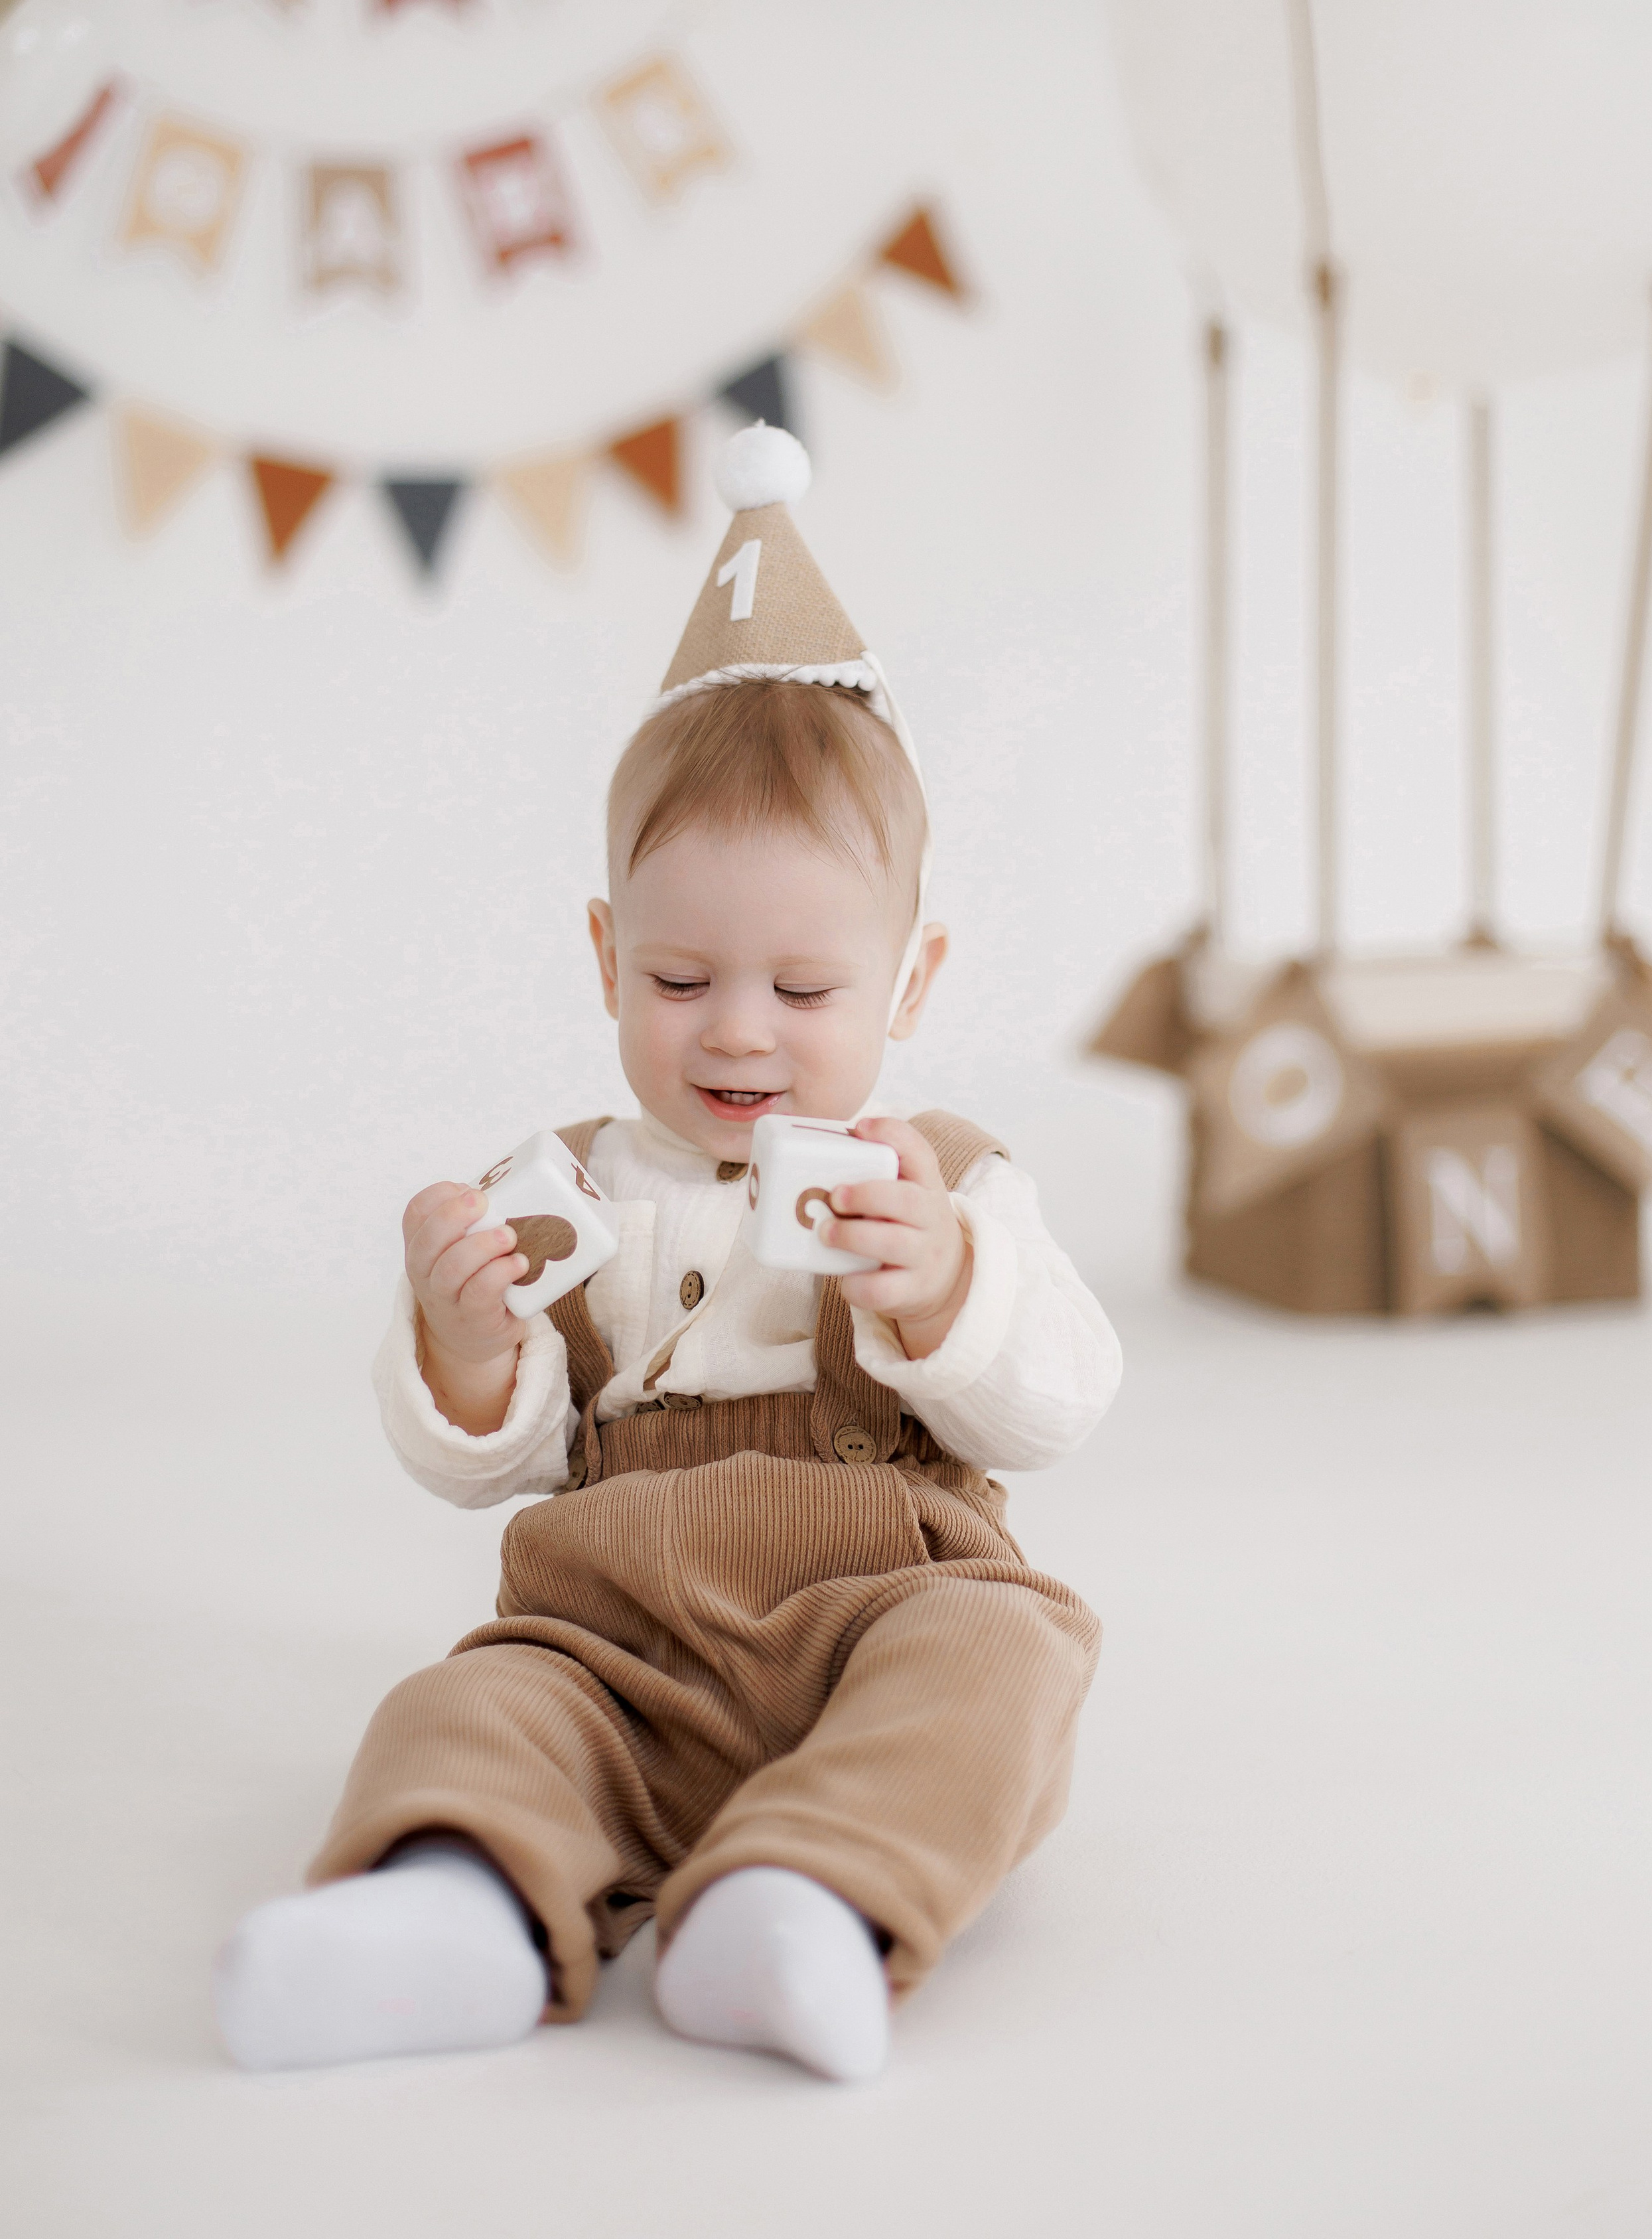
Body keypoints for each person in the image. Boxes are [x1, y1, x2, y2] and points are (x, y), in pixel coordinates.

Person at [214, 425, 1121, 2082]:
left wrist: (942, 1294)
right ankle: (455, 1903)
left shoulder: (949, 1179)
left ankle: (804, 1895)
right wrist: (462, 1340)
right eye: (680, 978)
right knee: (476, 1704)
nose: (739, 1036)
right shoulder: (564, 1189)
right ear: (605, 953)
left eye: (804, 988)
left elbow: (1060, 1396)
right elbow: (500, 1460)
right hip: (614, 1634)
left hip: (881, 1603)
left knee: (1010, 1654)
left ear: (907, 986)